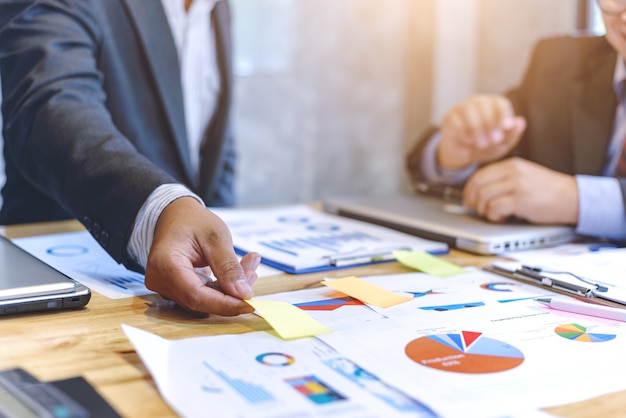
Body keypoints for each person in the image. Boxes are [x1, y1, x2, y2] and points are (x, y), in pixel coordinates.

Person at [0, 0, 261, 316]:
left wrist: (217, 238)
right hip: (60, 291)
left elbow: (212, 144)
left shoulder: (217, 7)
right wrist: (162, 209)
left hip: (176, 300)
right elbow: (52, 106)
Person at [407, 0, 626, 243]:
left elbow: (554, 195)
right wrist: (459, 154)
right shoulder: (561, 62)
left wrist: (577, 200)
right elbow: (512, 175)